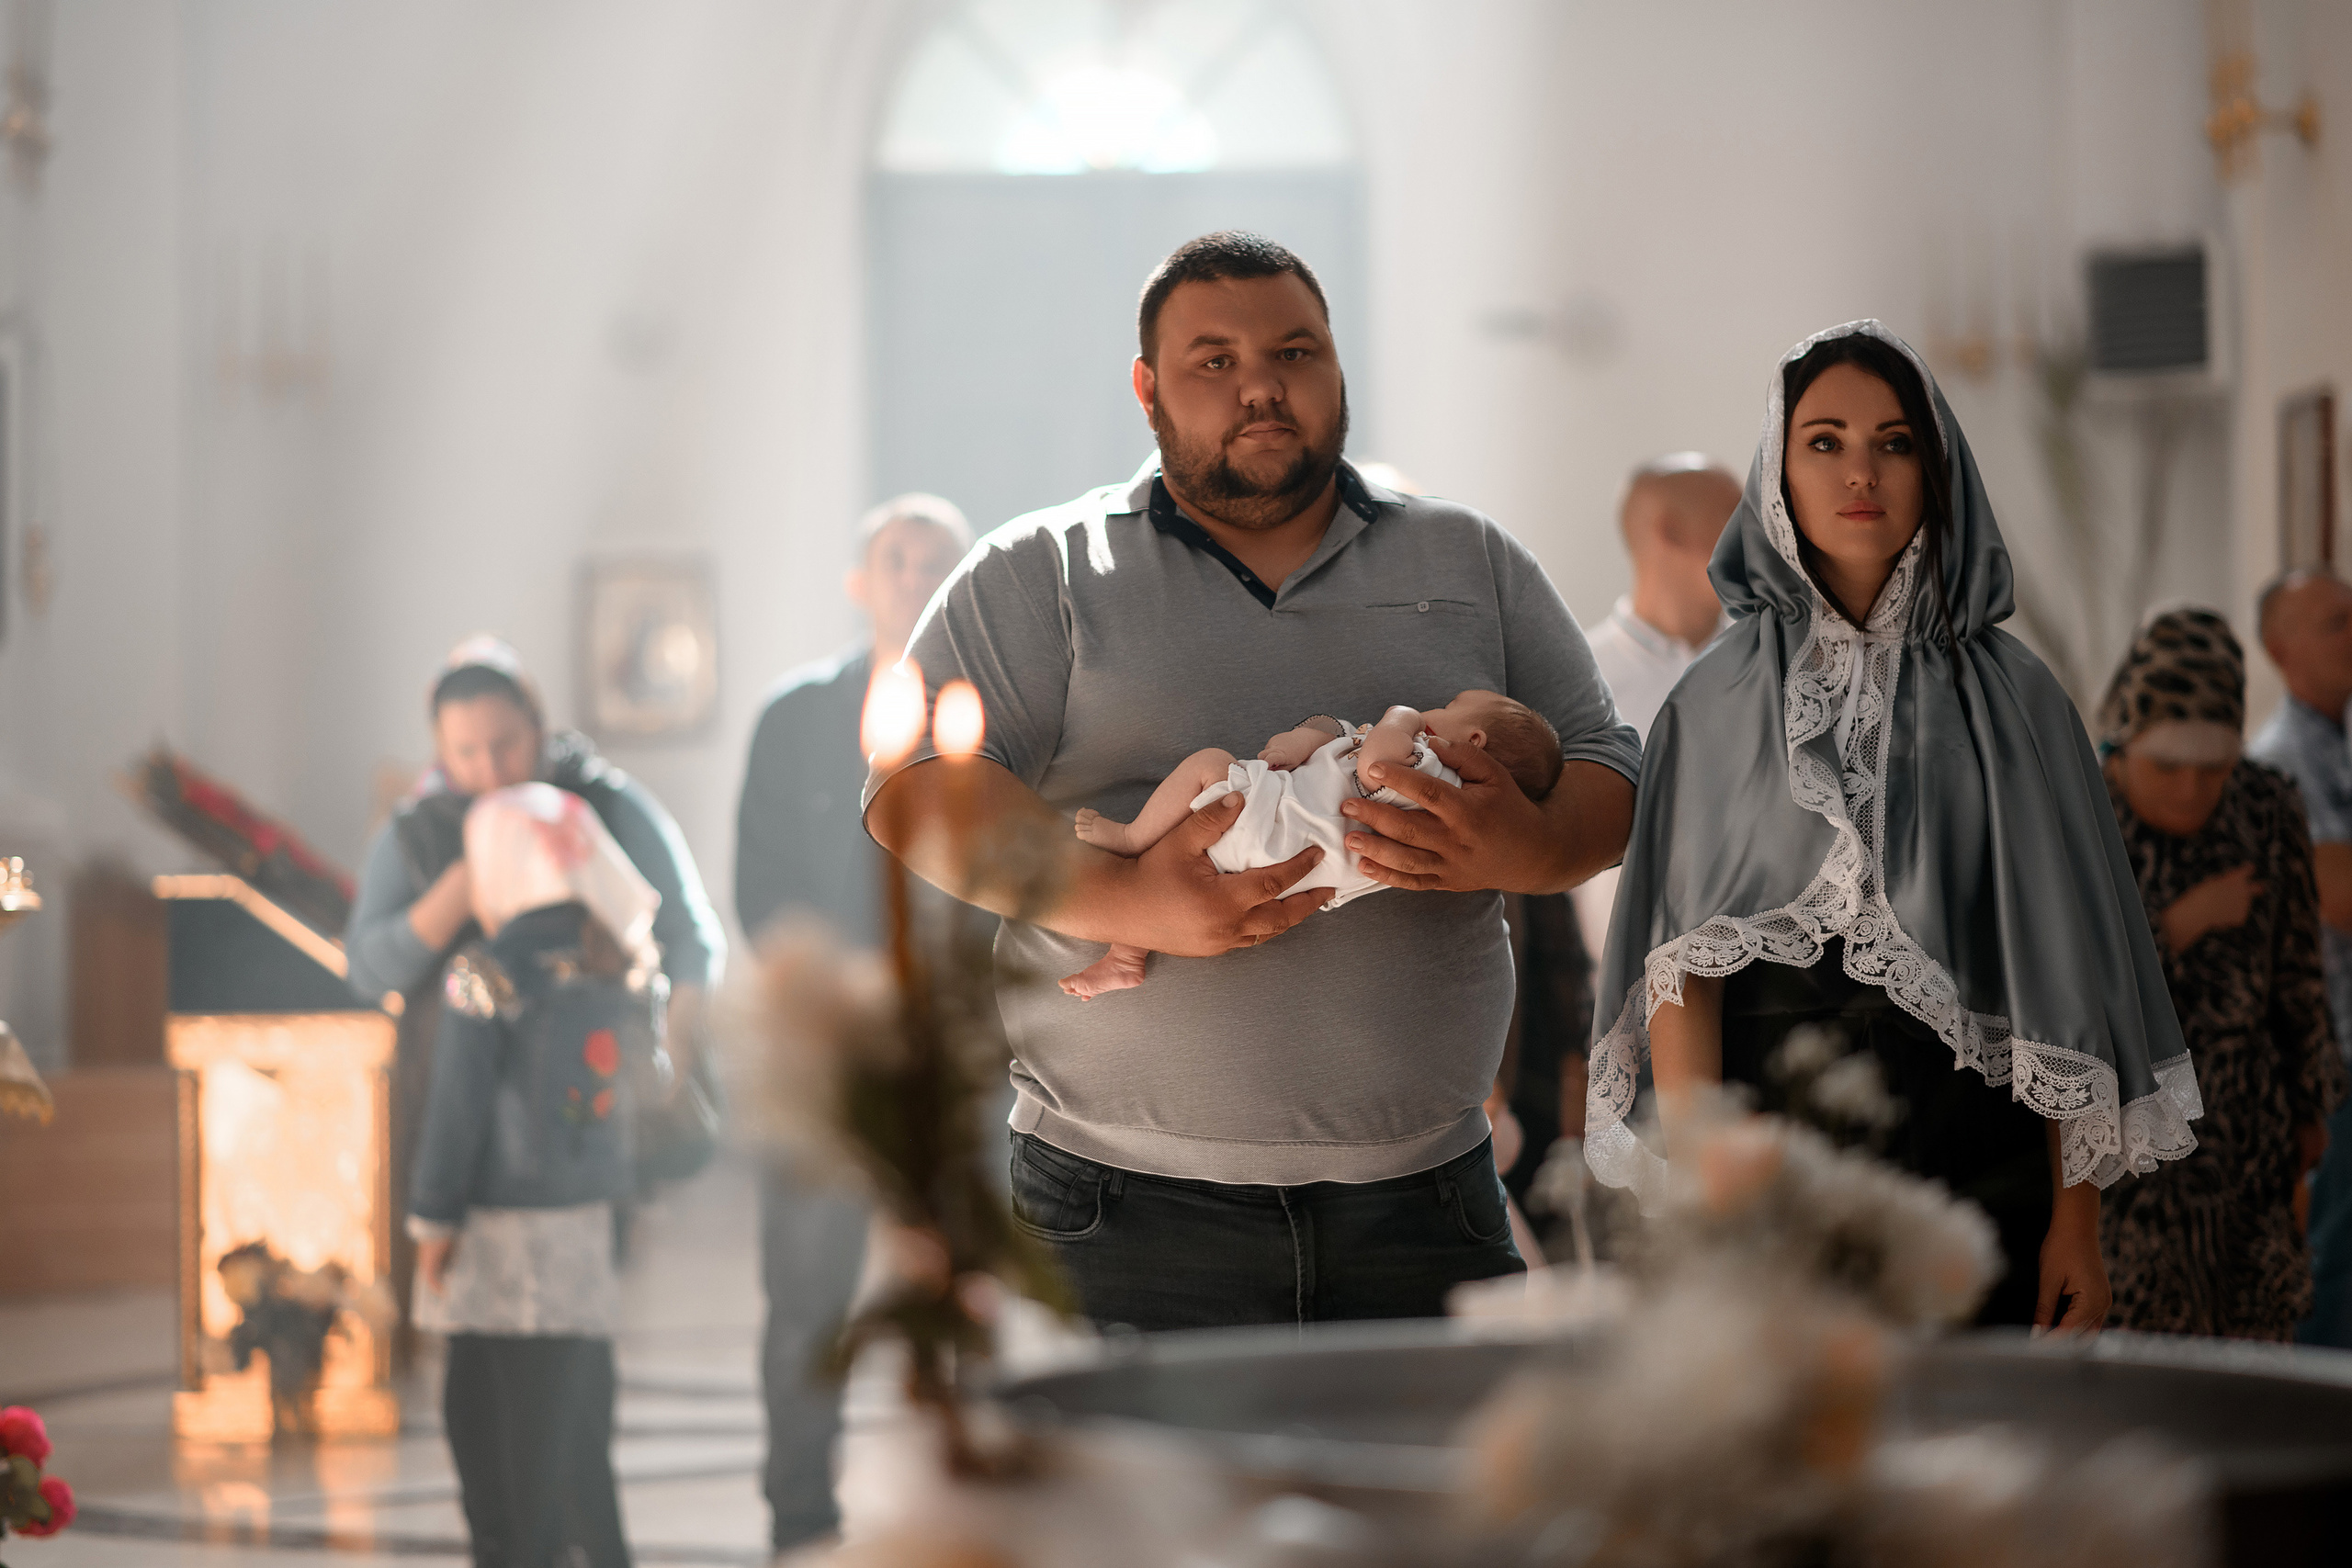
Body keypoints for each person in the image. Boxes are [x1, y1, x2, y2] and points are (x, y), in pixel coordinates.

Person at [864, 230, 1640, 1331]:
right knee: (1126, 1510)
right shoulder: (1045, 569)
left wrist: (1522, 848)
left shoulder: (1470, 560)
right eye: (1213, 362)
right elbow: (915, 790)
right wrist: (1131, 902)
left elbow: (1609, 772)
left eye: (1295, 352)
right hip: (1118, 1212)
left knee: (1428, 1509)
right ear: (1147, 388)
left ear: (1335, 368)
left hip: (1425, 1210)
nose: (1262, 387)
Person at [1584, 320, 2200, 1332]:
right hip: (1778, 1151)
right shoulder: (1712, 704)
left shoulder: (2020, 700)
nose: (1858, 471)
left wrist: (2075, 1225)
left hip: (1985, 1158)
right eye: (1823, 440)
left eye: (1894, 441)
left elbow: (2065, 977)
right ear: (1777, 469)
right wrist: (1704, 1191)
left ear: (1936, 468)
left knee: (1970, 1461)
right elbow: (1677, 967)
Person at [345, 637, 725, 1340]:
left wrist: (668, 1044)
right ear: (439, 749)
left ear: (538, 724)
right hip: (461, 1127)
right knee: (478, 1364)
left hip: (589, 1120)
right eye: (466, 752)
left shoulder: (597, 807)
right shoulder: (420, 830)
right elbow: (367, 970)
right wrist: (460, 889)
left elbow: (689, 933)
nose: (490, 770)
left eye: (507, 744)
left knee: (575, 1355)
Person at [733, 494, 968, 1550]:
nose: (915, 577)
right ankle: (798, 1518)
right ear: (860, 581)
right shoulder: (795, 720)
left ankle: (965, 1501)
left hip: (961, 1055)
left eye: (936, 562)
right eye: (897, 558)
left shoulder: (988, 709)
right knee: (806, 1300)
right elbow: (762, 891)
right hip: (829, 1052)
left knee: (967, 1283)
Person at [409, 784, 662, 1568]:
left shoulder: (483, 969)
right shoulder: (617, 964)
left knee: (497, 1434)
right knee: (575, 1420)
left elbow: (456, 1107)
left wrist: (431, 1220)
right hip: (584, 1226)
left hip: (498, 1230)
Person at [2094, 609, 2344, 1338]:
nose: (2191, 790)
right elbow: (2070, 991)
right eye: (2168, 767)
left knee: (2252, 1350)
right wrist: (2179, 924)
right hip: (2128, 1134)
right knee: (2141, 1359)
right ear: (2128, 745)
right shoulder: (2086, 812)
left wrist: (2311, 1106)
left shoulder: (2267, 805)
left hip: (2247, 1134)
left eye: (2213, 769)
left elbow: (2298, 970)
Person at [1062, 691, 1563, 996]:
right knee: (1178, 876)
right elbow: (1336, 737)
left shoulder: (1434, 773)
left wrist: (1402, 715)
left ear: (1473, 742)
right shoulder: (1443, 810)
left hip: (1273, 826)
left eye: (1450, 707)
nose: (1435, 708)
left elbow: (1373, 764)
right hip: (1291, 861)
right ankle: (1126, 959)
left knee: (1207, 768)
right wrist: (1300, 740)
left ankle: (1129, 837)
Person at [1570, 456, 1740, 963]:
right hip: (1618, 990)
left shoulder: (1773, 669)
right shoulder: (1576, 679)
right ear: (1669, 531)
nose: (1760, 546)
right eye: (1737, 524)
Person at [2246, 568, 2352, 1347]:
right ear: (2282, 650)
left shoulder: (2336, 746)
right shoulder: (2287, 757)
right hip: (2333, 1059)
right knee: (2333, 1262)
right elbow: (2341, 895)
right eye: (2337, 622)